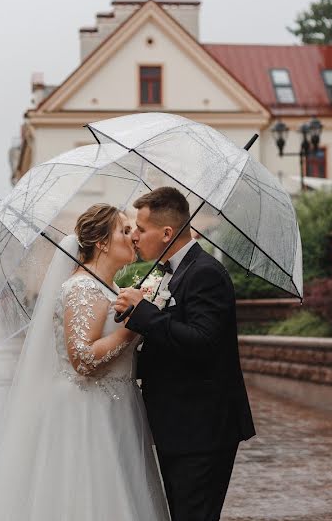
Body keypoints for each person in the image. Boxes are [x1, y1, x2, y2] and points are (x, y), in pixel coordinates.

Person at [0, 204, 170, 521]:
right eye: (124, 231)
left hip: (117, 406)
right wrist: (130, 330)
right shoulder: (81, 288)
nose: (133, 237)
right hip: (87, 411)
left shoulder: (109, 289)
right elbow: (81, 359)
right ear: (102, 243)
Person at [114, 186, 255, 521]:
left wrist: (145, 313)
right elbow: (167, 342)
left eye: (142, 229)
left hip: (202, 428)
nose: (135, 236)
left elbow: (203, 342)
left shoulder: (205, 273)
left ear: (166, 233)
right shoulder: (171, 272)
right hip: (176, 425)